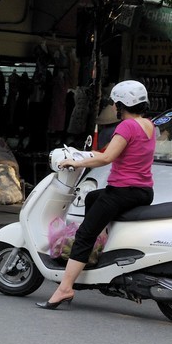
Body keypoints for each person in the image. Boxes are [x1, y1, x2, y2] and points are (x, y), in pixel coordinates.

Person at [40, 80, 155, 310]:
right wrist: (84, 153)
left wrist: (76, 161)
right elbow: (115, 152)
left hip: (122, 192)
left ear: (121, 105)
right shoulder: (149, 125)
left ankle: (65, 288)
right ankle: (99, 250)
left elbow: (106, 158)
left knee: (83, 234)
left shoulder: (126, 126)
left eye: (115, 103)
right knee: (92, 198)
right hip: (143, 191)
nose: (113, 107)